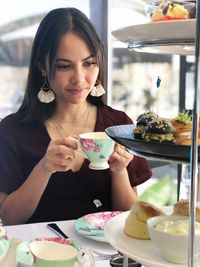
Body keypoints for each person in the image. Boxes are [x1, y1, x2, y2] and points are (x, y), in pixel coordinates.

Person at [0, 7, 152, 225]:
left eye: (89, 63)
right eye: (64, 66)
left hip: (104, 257)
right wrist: (44, 168)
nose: (79, 79)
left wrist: (119, 172)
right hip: (45, 255)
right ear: (42, 66)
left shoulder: (118, 125)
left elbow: (128, 218)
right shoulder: (13, 131)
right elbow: (9, 218)